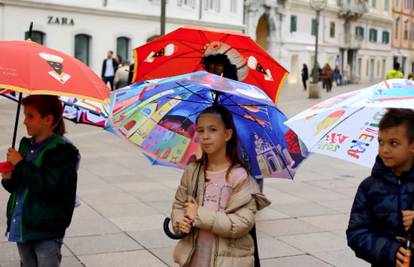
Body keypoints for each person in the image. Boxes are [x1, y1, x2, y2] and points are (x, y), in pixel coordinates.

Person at [171, 105, 270, 267]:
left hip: (229, 260)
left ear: (227, 134)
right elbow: (179, 205)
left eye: (213, 129)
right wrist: (180, 222)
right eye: (201, 130)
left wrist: (199, 214)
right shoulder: (193, 171)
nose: (205, 136)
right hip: (194, 258)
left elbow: (242, 223)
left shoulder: (240, 176)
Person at [1, 95, 79, 267]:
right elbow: (18, 185)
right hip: (23, 223)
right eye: (24, 115)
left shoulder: (62, 151)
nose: (24, 121)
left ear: (48, 119)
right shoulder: (26, 145)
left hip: (46, 228)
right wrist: (8, 178)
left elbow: (47, 185)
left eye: (30, 116)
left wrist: (20, 163)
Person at [346, 108, 414, 267]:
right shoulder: (369, 187)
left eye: (394, 143)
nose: (384, 149)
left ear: (412, 145)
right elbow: (356, 233)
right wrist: (389, 251)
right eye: (380, 141)